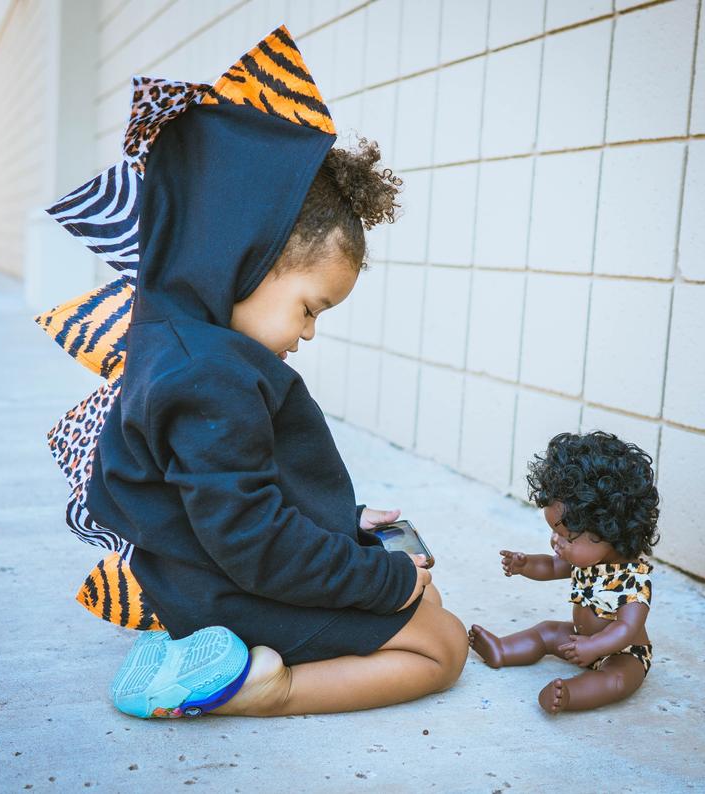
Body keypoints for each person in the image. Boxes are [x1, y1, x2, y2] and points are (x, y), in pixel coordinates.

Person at [86, 94, 468, 719]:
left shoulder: (186, 345)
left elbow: (229, 488)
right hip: (227, 590)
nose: (310, 332)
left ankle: (221, 659)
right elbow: (253, 540)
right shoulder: (208, 374)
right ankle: (266, 691)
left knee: (423, 593)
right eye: (311, 308)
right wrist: (382, 582)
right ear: (250, 260)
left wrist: (345, 518)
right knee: (442, 647)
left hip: (211, 570)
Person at [469, 431, 660, 713]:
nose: (555, 542)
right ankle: (502, 650)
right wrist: (524, 565)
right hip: (579, 640)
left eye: (566, 537)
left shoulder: (633, 580)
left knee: (616, 680)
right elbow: (550, 566)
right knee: (547, 631)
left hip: (622, 653)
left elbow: (626, 628)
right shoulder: (587, 559)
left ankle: (570, 695)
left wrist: (596, 646)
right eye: (554, 532)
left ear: (611, 531)